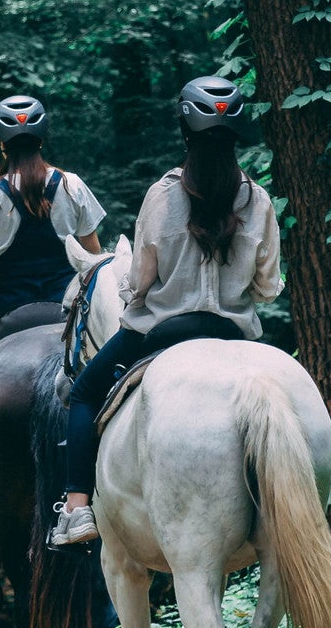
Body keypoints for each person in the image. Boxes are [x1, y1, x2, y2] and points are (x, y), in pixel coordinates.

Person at [52, 75, 282, 546]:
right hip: (233, 334)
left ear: (185, 131)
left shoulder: (162, 195)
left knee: (84, 392)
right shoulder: (258, 199)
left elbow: (139, 281)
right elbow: (267, 288)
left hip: (162, 331)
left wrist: (137, 291)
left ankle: (76, 507)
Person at [0, 95, 106, 513]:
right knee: (110, 375)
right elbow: (95, 257)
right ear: (42, 138)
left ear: (1, 143)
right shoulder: (72, 185)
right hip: (66, 312)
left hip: (11, 310)